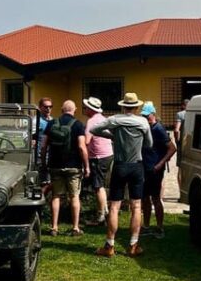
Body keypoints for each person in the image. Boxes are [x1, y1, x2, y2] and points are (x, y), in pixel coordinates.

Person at [90, 92, 152, 257]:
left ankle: (109, 246)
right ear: (137, 107)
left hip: (120, 166)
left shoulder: (115, 119)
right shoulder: (143, 122)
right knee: (136, 206)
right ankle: (133, 245)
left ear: (123, 106)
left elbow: (94, 129)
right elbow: (149, 143)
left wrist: (113, 136)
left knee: (115, 206)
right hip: (136, 166)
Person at [42, 100, 90, 236]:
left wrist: (44, 162)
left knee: (56, 196)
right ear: (74, 110)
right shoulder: (78, 124)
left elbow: (44, 145)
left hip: (55, 165)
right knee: (74, 196)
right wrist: (86, 166)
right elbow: (81, 146)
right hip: (73, 166)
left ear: (62, 110)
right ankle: (75, 227)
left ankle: (54, 227)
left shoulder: (51, 123)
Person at [140, 101, 176, 239]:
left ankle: (160, 228)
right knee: (145, 198)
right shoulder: (146, 128)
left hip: (155, 169)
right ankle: (147, 226)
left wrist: (160, 164)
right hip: (145, 167)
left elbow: (172, 148)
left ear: (153, 114)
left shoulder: (158, 129)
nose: (145, 118)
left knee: (155, 198)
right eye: (143, 115)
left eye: (147, 115)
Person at [82, 96, 113, 227]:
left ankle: (101, 216)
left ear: (90, 109)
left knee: (98, 186)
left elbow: (87, 141)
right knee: (101, 184)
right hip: (108, 154)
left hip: (98, 157)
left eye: (86, 107)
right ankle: (105, 210)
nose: (85, 109)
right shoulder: (104, 119)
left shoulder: (91, 121)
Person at [34, 97, 53, 190]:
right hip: (39, 156)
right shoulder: (36, 121)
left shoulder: (52, 120)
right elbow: (29, 138)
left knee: (50, 181)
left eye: (50, 106)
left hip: (51, 155)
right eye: (45, 107)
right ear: (40, 107)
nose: (48, 109)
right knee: (42, 181)